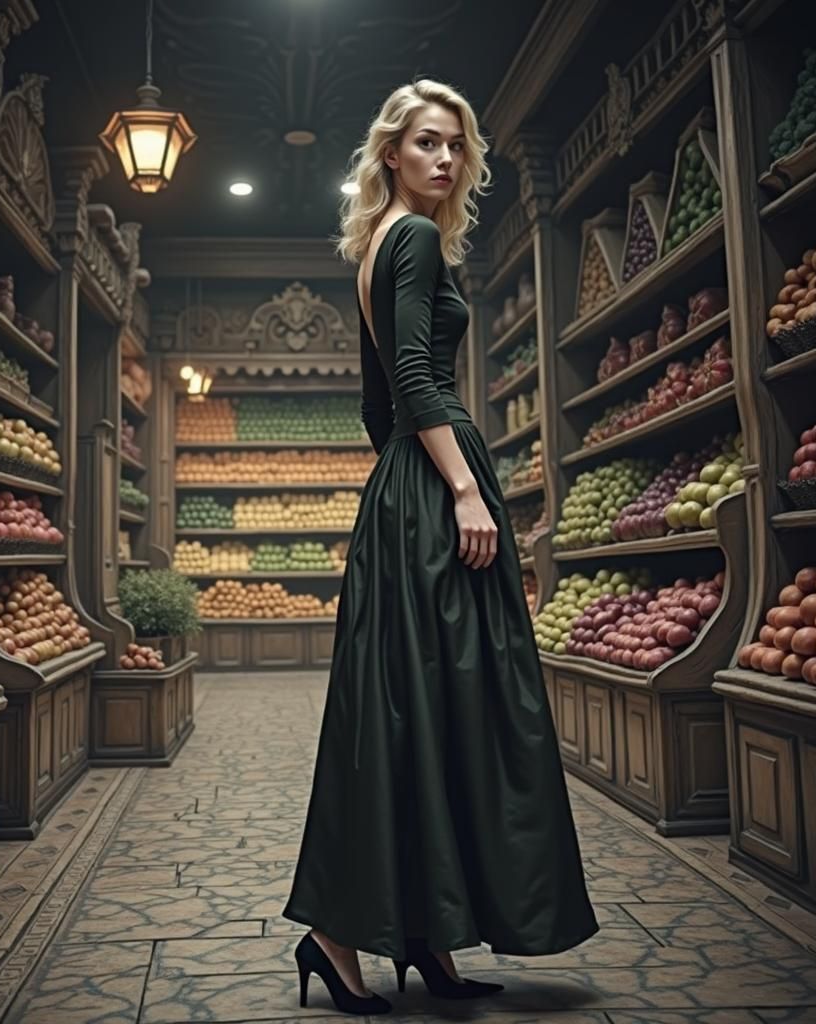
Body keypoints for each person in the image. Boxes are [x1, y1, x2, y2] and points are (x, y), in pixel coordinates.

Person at [280, 78, 599, 1015]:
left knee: (416, 712)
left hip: (403, 494)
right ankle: (342, 938)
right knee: (465, 704)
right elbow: (414, 377)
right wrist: (458, 487)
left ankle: (421, 936)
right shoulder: (413, 237)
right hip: (435, 488)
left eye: (457, 146)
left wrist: (405, 492)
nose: (447, 160)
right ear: (391, 153)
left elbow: (374, 407)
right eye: (427, 143)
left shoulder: (380, 245)